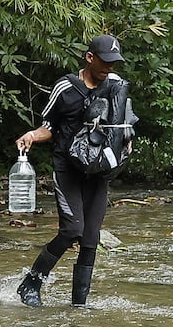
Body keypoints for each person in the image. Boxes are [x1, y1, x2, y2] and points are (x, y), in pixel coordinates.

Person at [15, 34, 130, 308]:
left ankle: (79, 305)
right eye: (104, 62)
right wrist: (32, 135)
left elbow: (124, 125)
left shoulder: (115, 87)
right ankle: (31, 282)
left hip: (98, 171)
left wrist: (126, 145)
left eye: (113, 64)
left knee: (91, 238)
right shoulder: (65, 87)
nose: (108, 68)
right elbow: (49, 127)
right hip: (68, 170)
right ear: (90, 58)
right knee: (72, 230)